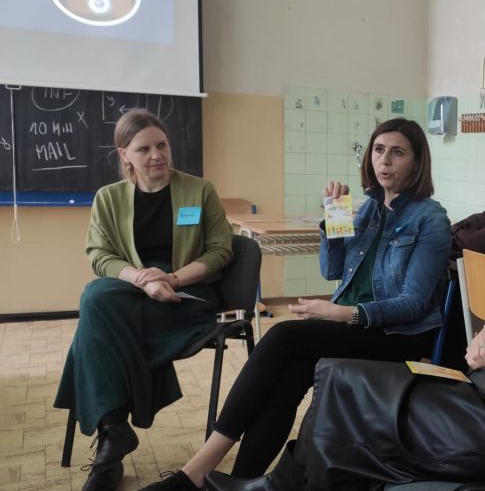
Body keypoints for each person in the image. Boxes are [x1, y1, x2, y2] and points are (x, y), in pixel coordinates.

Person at [201, 132, 485, 490]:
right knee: (334, 377)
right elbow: (333, 268)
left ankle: (257, 481)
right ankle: (267, 482)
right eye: (378, 151)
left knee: (328, 373)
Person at [143, 118, 452, 491]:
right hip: (352, 326)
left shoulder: (431, 218)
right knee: (291, 373)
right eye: (379, 150)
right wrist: (334, 214)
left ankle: (195, 473)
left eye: (398, 153)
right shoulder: (369, 208)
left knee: (283, 336)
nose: (384, 160)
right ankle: (233, 482)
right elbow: (332, 269)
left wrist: (343, 313)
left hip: (397, 336)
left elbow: (414, 304)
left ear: (417, 164)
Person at [54, 109, 234, 491]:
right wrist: (140, 278)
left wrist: (171, 278)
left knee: (94, 318)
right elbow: (99, 254)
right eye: (144, 149)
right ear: (124, 154)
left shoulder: (200, 190)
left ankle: (110, 441)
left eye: (162, 145)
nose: (157, 155)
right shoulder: (109, 198)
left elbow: (221, 250)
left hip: (188, 297)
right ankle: (113, 433)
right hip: (133, 291)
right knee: (97, 297)